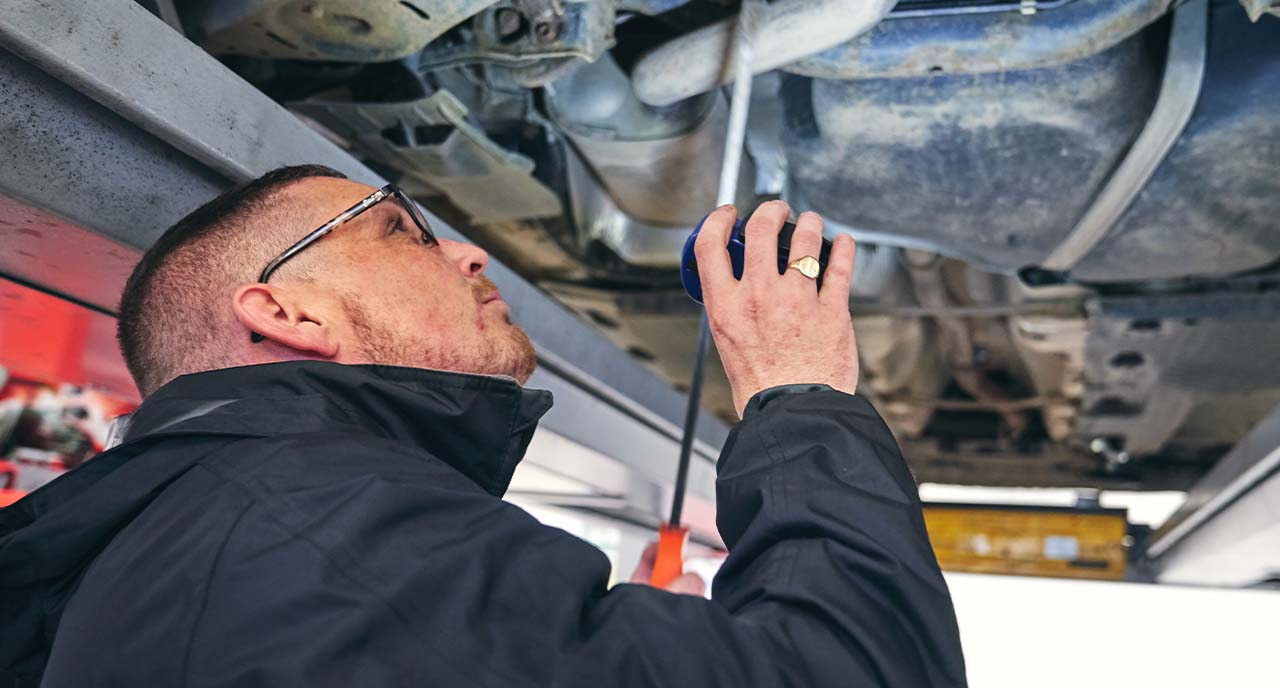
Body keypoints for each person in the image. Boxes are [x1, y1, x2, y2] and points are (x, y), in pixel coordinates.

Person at [0, 165, 967, 686]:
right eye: (403, 230)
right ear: (288, 314)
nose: (469, 251)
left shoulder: (208, 539)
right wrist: (801, 390)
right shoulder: (312, 530)